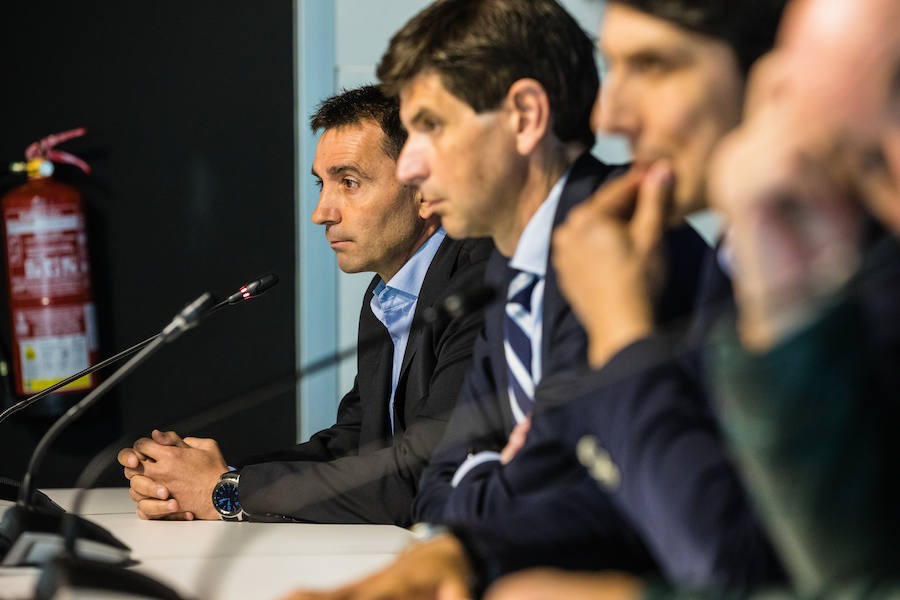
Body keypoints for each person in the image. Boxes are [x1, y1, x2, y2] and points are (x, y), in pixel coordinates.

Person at [116, 85, 492, 525]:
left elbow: (426, 477)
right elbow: (355, 444)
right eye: (322, 183)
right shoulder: (387, 296)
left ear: (426, 190)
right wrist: (215, 478)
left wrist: (229, 492)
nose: (321, 212)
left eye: (349, 182)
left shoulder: (480, 289)